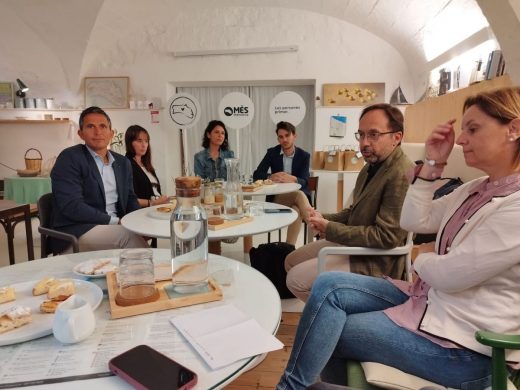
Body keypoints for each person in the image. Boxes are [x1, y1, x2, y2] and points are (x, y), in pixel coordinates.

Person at [277, 87, 520, 390]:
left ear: (513, 129)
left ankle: (290, 387)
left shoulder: (515, 206)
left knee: (330, 329)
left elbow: (449, 274)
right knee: (327, 287)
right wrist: (432, 167)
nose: (461, 139)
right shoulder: (475, 189)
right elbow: (414, 221)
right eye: (361, 134)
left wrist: (421, 257)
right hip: (430, 302)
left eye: (473, 129)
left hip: (464, 347)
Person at [286, 103, 413, 301]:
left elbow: (386, 237)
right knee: (290, 261)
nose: (364, 143)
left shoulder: (401, 174)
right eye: (361, 135)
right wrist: (324, 218)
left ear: (396, 137)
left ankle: (340, 314)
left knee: (295, 279)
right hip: (359, 244)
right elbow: (355, 211)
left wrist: (329, 228)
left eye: (373, 134)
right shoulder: (371, 167)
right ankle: (331, 308)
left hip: (376, 259)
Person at [51, 106, 148, 252]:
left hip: (113, 227)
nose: (98, 132)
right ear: (81, 133)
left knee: (143, 231)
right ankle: (153, 272)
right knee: (128, 237)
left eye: (103, 126)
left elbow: (130, 198)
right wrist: (117, 222)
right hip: (78, 230)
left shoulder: (122, 162)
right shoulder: (70, 158)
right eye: (90, 126)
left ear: (111, 133)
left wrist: (136, 221)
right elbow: (72, 206)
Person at [253, 121, 311, 245]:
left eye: (287, 135)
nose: (284, 139)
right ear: (278, 139)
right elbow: (256, 175)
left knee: (297, 209)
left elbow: (305, 181)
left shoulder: (304, 156)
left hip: (297, 201)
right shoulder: (272, 153)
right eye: (281, 137)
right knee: (299, 195)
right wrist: (270, 176)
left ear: (294, 135)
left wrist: (294, 179)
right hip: (278, 200)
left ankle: (288, 249)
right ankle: (316, 227)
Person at [125, 125, 169, 207]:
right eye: (139, 141)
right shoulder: (125, 164)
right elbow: (127, 198)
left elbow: (156, 192)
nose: (144, 145)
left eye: (146, 141)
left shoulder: (146, 165)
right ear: (130, 142)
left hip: (157, 208)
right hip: (141, 213)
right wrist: (153, 203)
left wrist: (162, 200)